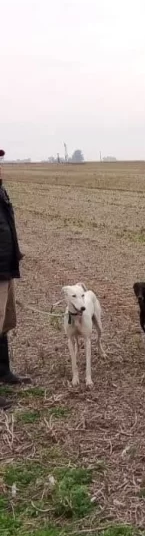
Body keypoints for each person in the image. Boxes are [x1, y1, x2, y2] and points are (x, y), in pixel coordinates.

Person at [0, 148, 30, 409]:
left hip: (5, 267)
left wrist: (14, 251)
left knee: (5, 323)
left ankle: (4, 372)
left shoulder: (1, 189)